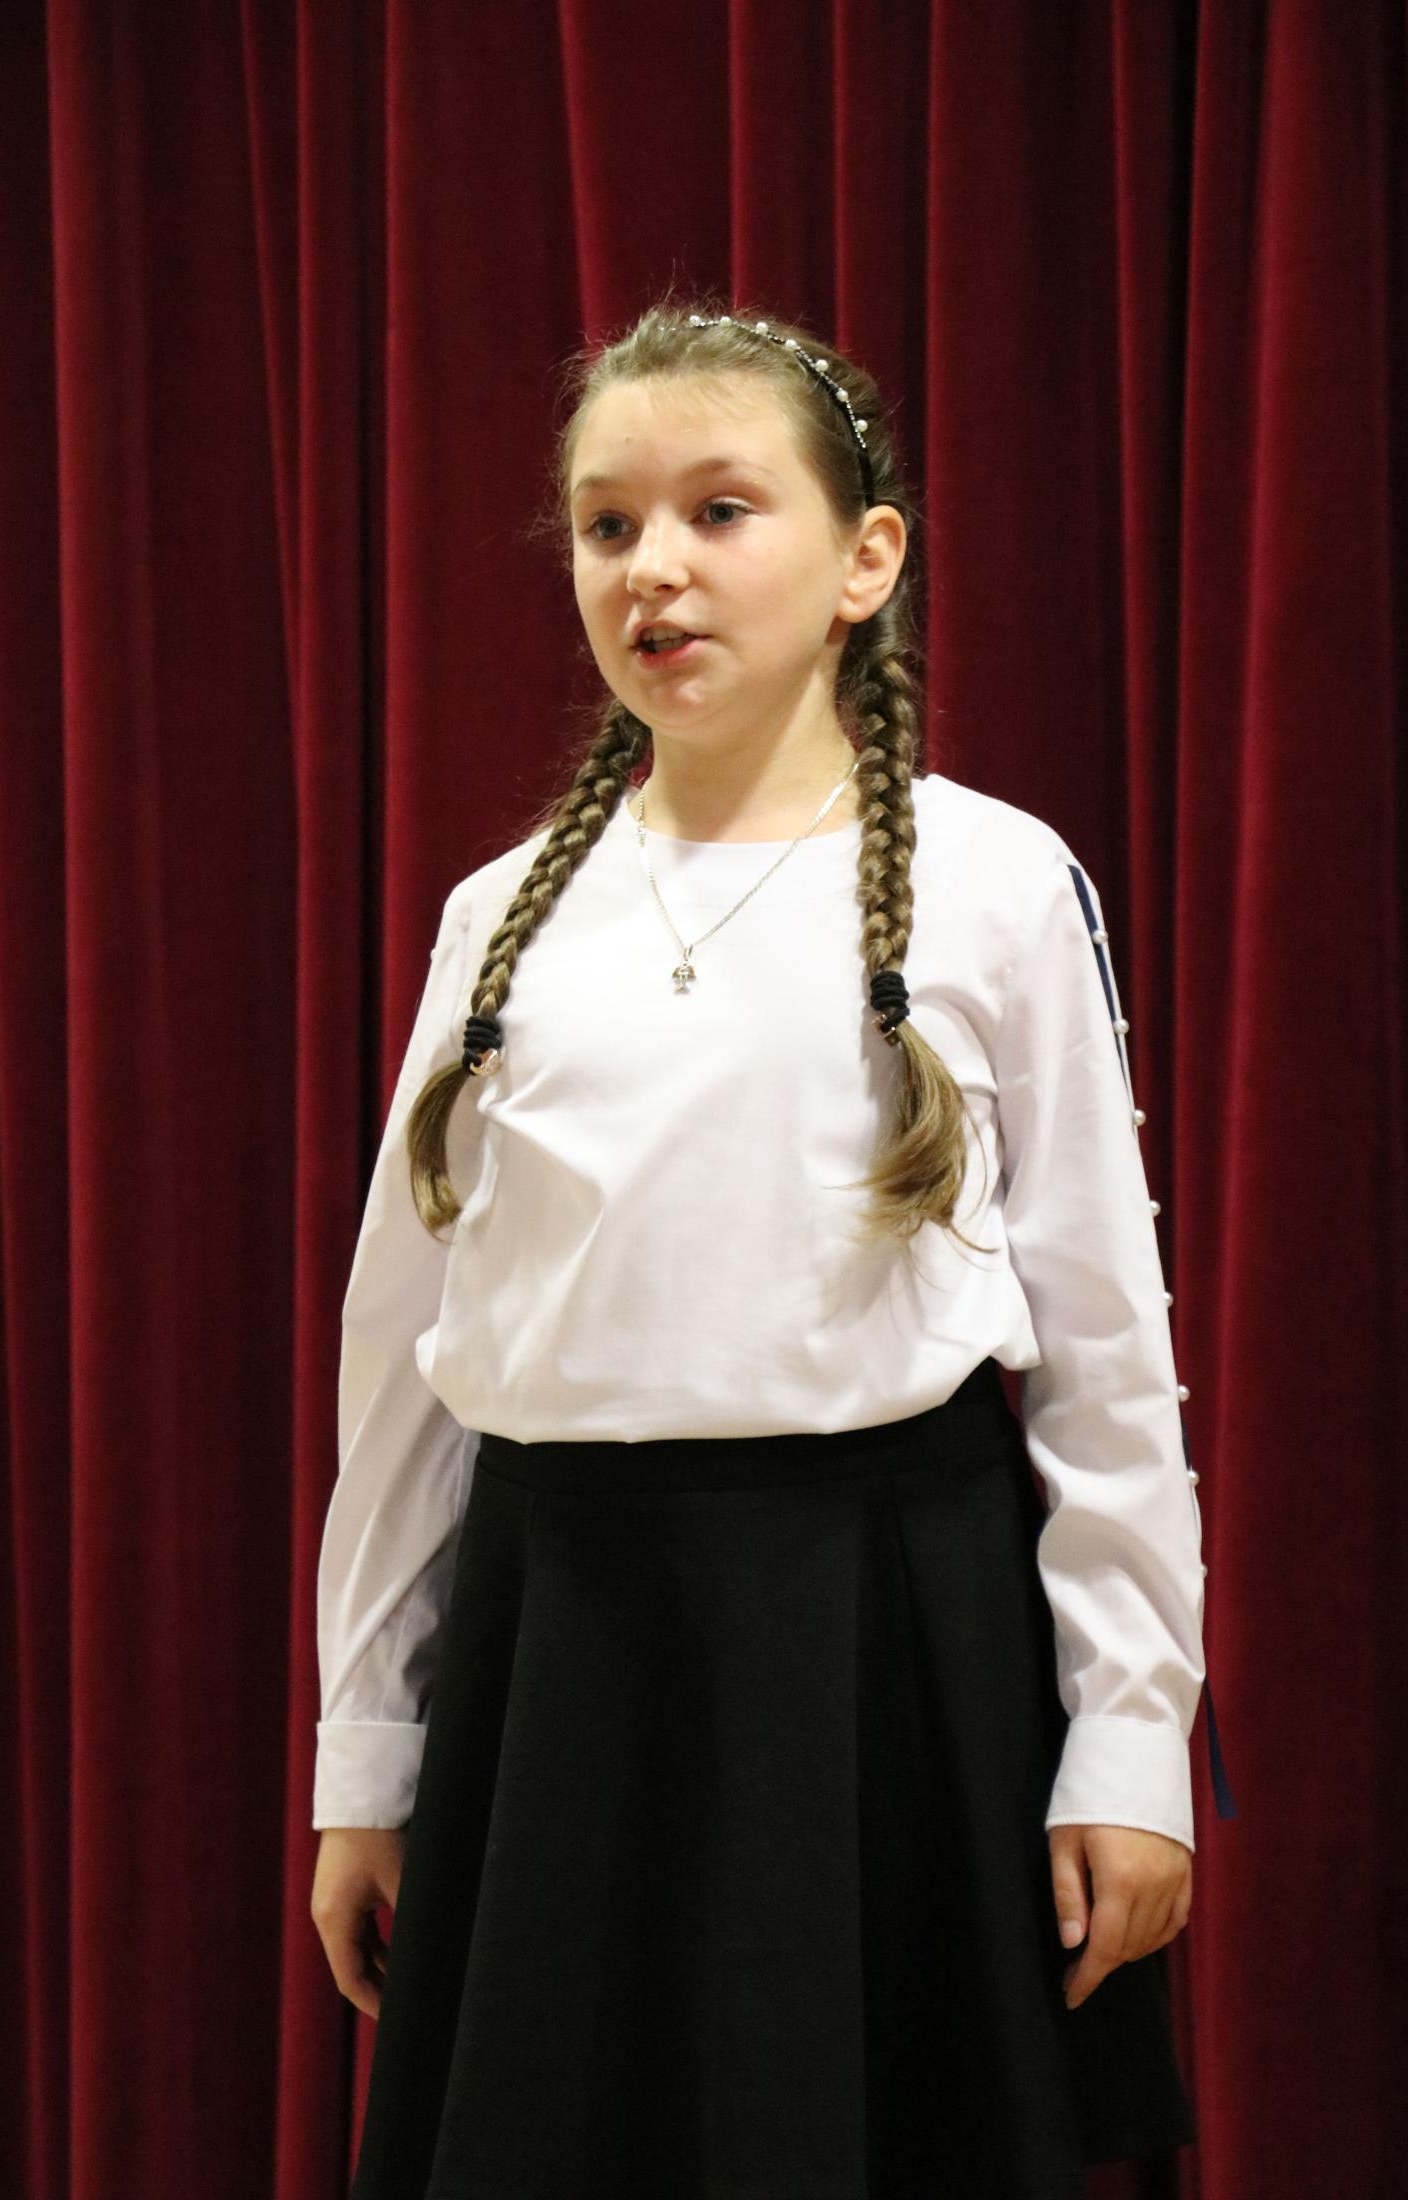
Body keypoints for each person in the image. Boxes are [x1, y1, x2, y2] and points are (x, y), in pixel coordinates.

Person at [309, 296, 1235, 2200]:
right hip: (563, 1654)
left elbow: (1101, 1351)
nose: (651, 566)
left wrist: (1130, 1740)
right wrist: (369, 1753)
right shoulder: (501, 918)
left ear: (862, 561)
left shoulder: (994, 883)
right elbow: (403, 1368)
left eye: (719, 510)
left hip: (879, 1642)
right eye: (606, 524)